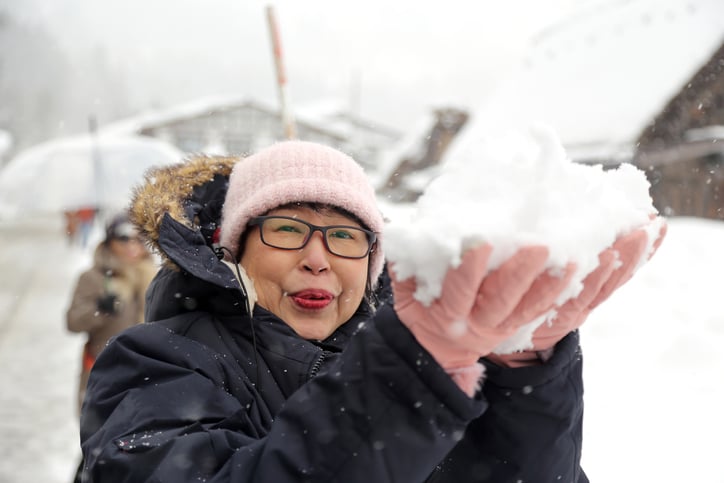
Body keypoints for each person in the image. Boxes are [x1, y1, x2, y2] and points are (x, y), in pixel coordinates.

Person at [78, 141, 666, 482]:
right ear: (234, 249)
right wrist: (410, 379)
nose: (318, 259)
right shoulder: (159, 359)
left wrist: (526, 375)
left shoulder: (436, 357)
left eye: (345, 236)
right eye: (286, 230)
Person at [66, 212, 158, 412]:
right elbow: (73, 322)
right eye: (123, 238)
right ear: (109, 241)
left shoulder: (156, 280)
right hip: (104, 377)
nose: (132, 245)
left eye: (139, 239)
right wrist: (100, 309)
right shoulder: (94, 278)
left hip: (148, 378)